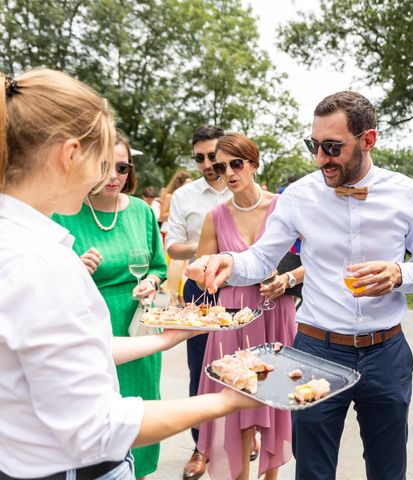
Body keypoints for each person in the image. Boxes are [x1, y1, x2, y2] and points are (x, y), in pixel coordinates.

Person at [0, 68, 258, 480]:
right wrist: (228, 401)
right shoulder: (40, 263)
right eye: (102, 162)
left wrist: (164, 341)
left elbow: (70, 349)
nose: (108, 177)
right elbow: (96, 428)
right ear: (69, 155)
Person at [187, 91, 413, 480]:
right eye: (314, 145)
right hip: (316, 351)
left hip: (386, 351)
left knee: (389, 471)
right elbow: (260, 259)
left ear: (368, 140)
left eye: (332, 147)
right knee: (313, 472)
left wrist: (399, 274)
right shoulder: (300, 196)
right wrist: (228, 261)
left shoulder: (408, 193)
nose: (321, 158)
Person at [52, 131, 166, 479]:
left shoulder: (143, 212)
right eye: (104, 166)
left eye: (121, 166)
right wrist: (75, 268)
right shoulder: (65, 212)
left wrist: (151, 281)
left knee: (143, 407)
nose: (113, 176)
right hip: (88, 325)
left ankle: (141, 472)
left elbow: (157, 266)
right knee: (98, 416)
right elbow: (45, 275)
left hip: (139, 324)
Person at [195, 133, 301, 480]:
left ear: (253, 164)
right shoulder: (215, 215)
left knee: (274, 400)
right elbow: (201, 273)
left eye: (236, 164)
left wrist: (287, 278)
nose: (228, 172)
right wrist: (214, 273)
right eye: (220, 167)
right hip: (234, 319)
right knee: (236, 408)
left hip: (276, 313)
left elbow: (318, 260)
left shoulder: (282, 207)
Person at [164, 125, 232, 479]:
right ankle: (200, 446)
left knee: (240, 366)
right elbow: (173, 246)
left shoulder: (244, 190)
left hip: (239, 289)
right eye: (199, 158)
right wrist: (208, 245)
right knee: (201, 369)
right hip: (199, 292)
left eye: (212, 156)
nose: (207, 163)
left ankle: (241, 435)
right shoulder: (185, 196)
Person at [159, 170, 193, 301]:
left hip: (185, 233)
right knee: (175, 264)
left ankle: (182, 296)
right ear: (180, 184)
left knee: (185, 266)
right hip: (170, 231)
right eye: (187, 184)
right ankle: (172, 296)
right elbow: (162, 216)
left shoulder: (189, 198)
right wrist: (176, 211)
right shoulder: (170, 196)